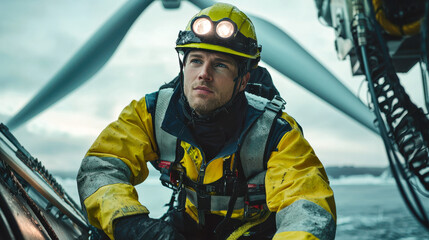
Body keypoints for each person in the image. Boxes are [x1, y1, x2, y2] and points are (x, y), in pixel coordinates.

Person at [77, 2, 336, 240]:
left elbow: (308, 209)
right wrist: (135, 227)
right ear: (183, 67)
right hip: (185, 229)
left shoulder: (276, 134)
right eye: (196, 61)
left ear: (243, 81)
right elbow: (100, 168)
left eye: (220, 65)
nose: (204, 74)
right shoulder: (152, 113)